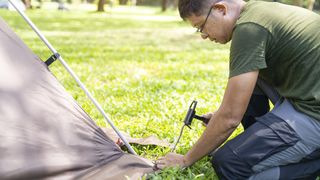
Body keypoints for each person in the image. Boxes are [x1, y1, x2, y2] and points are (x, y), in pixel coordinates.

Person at [155, 0, 320, 179]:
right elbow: (234, 105)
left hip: (312, 113)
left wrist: (186, 160)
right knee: (256, 74)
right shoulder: (257, 10)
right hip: (305, 98)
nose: (203, 35)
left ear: (220, 9)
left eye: (201, 26)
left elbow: (230, 118)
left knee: (229, 163)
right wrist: (219, 116)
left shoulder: (249, 28)